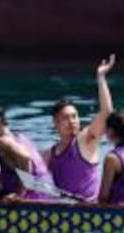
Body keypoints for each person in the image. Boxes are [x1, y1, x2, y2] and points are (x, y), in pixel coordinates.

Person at [45, 54, 116, 202]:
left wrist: (101, 77)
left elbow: (106, 113)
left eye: (75, 116)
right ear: (55, 122)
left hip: (88, 210)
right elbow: (28, 170)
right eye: (66, 118)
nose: (72, 121)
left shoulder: (86, 139)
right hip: (61, 208)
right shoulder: (50, 153)